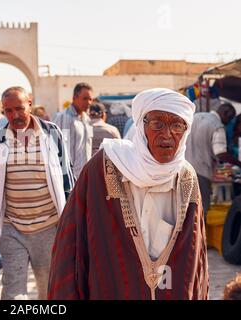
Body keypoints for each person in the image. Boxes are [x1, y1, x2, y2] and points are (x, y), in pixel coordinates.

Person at [48, 88, 209, 300]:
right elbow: (71, 243)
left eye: (177, 125)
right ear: (142, 126)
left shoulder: (186, 177)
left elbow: (195, 253)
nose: (168, 134)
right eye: (157, 124)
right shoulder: (103, 167)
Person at [0, 87, 74, 300]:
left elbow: (67, 175)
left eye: (19, 108)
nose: (15, 115)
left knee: (49, 289)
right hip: (12, 228)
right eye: (8, 111)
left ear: (30, 103)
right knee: (12, 291)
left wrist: (73, 216)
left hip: (48, 227)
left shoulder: (51, 133)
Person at [185, 102, 241, 216]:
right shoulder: (217, 126)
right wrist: (239, 163)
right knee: (200, 212)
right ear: (225, 114)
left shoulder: (195, 117)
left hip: (183, 169)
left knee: (186, 210)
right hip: (201, 172)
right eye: (229, 119)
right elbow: (221, 153)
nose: (228, 123)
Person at [53, 82, 94, 179]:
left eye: (90, 99)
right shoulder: (64, 118)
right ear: (74, 98)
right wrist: (65, 178)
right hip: (70, 177)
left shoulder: (86, 119)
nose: (88, 102)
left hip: (85, 176)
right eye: (85, 98)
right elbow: (56, 148)